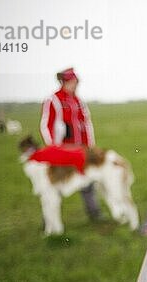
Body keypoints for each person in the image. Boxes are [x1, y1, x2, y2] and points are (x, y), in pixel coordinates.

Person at [40, 67, 102, 220]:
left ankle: (94, 214)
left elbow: (86, 123)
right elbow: (46, 125)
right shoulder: (53, 100)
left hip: (81, 150)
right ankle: (50, 220)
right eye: (72, 82)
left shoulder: (79, 101)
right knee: (56, 185)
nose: (74, 85)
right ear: (64, 82)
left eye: (76, 82)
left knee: (87, 181)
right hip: (64, 151)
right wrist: (53, 147)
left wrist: (90, 145)